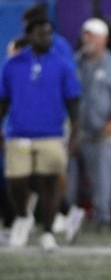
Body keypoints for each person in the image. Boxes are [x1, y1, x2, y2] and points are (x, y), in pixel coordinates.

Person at [0, 17, 81, 251]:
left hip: (51, 133)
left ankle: (47, 231)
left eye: (48, 33)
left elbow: (74, 102)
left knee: (50, 183)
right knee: (16, 180)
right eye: (41, 33)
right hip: (18, 132)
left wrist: (74, 134)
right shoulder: (12, 64)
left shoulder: (62, 64)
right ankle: (24, 216)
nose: (46, 38)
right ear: (29, 35)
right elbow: (3, 100)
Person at [67, 18, 111, 231]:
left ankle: (103, 219)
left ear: (103, 39)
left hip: (101, 133)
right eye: (85, 34)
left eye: (91, 35)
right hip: (76, 133)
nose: (87, 39)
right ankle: (69, 218)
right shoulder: (75, 63)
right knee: (69, 181)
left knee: (102, 180)